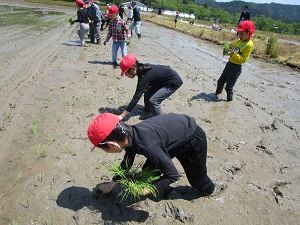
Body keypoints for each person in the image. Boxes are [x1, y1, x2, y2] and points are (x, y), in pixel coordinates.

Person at [87, 112, 215, 197]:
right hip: (171, 136)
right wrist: (110, 185)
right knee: (149, 170)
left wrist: (145, 190)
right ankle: (161, 187)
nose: (106, 152)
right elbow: (126, 164)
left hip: (191, 139)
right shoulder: (129, 135)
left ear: (112, 144)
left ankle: (211, 190)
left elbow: (173, 175)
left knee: (198, 182)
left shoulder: (148, 145)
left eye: (104, 149)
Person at [117, 54, 183, 120]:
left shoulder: (144, 77)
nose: (125, 75)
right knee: (147, 94)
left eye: (126, 73)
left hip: (172, 82)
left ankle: (160, 121)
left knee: (154, 101)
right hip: (161, 81)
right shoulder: (142, 70)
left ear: (133, 69)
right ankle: (148, 112)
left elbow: (136, 97)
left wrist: (122, 115)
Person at [215, 21, 255, 102]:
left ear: (248, 33)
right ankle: (216, 95)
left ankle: (228, 102)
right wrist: (229, 52)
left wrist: (233, 54)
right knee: (220, 81)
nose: (240, 36)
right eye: (239, 33)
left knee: (229, 87)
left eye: (242, 34)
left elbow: (243, 60)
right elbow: (235, 51)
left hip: (236, 68)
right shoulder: (239, 41)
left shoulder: (249, 45)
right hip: (229, 64)